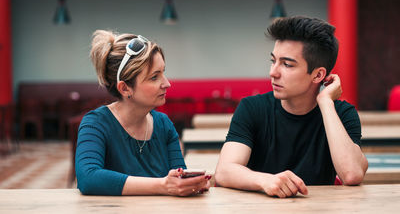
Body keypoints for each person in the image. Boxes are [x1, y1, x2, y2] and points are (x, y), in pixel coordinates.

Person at [215, 16, 368, 198]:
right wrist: (266, 181)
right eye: (273, 61)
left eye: (287, 64)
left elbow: (351, 174)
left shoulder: (342, 114)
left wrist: (326, 102)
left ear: (318, 75)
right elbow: (224, 170)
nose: (273, 72)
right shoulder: (252, 108)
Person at [75, 30, 211, 196]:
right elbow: (88, 178)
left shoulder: (163, 124)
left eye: (163, 72)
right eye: (154, 77)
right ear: (125, 88)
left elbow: (177, 178)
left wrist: (189, 184)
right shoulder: (96, 124)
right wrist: (163, 185)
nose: (167, 83)